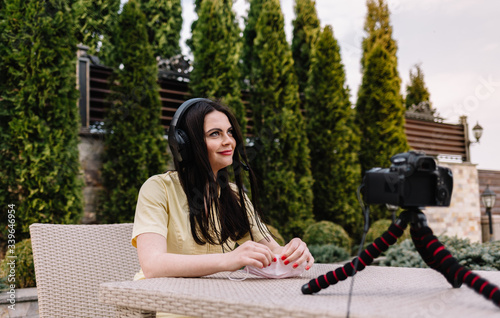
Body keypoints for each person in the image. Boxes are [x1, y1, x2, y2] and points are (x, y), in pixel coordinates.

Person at [131, 98, 314, 283]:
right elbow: (153, 265)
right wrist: (229, 259)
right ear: (186, 144)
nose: (229, 141)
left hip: (215, 298)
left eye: (230, 132)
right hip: (164, 299)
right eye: (215, 134)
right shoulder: (158, 189)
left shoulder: (233, 195)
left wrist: (294, 252)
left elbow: (274, 250)